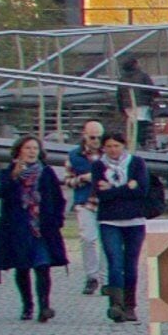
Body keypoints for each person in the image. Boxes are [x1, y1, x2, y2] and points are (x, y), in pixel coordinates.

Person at [0, 134, 68, 322]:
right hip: (18, 229)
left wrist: (57, 220)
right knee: (22, 268)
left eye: (35, 148)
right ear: (19, 151)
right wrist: (14, 176)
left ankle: (44, 305)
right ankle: (27, 305)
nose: (32, 152)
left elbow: (58, 199)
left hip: (42, 228)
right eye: (28, 148)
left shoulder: (47, 173)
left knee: (42, 266)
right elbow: (1, 194)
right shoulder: (9, 173)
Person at [87, 133, 162, 323]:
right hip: (109, 220)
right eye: (109, 146)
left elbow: (141, 190)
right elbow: (101, 195)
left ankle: (130, 305)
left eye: (117, 146)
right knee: (114, 262)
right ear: (103, 148)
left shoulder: (136, 163)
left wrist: (113, 189)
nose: (113, 150)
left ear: (124, 146)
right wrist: (127, 188)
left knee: (131, 265)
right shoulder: (98, 166)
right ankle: (116, 304)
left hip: (134, 221)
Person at [66, 118, 106, 294]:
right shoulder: (74, 156)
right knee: (88, 238)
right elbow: (67, 181)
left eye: (99, 137)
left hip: (106, 202)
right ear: (84, 136)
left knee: (107, 242)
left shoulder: (109, 152)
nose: (96, 141)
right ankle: (92, 276)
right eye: (92, 138)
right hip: (85, 201)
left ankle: (106, 279)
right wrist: (83, 178)